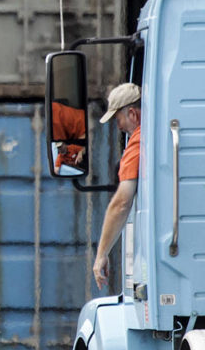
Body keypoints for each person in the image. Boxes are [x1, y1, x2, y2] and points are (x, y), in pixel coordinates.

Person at [93, 82, 141, 289]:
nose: (118, 126)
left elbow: (121, 203)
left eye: (118, 119)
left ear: (132, 114)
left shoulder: (139, 142)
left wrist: (101, 254)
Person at [50, 100, 88, 174]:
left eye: (61, 147)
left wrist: (80, 153)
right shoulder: (60, 157)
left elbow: (84, 149)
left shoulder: (72, 147)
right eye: (58, 148)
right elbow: (56, 169)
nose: (60, 149)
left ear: (65, 144)